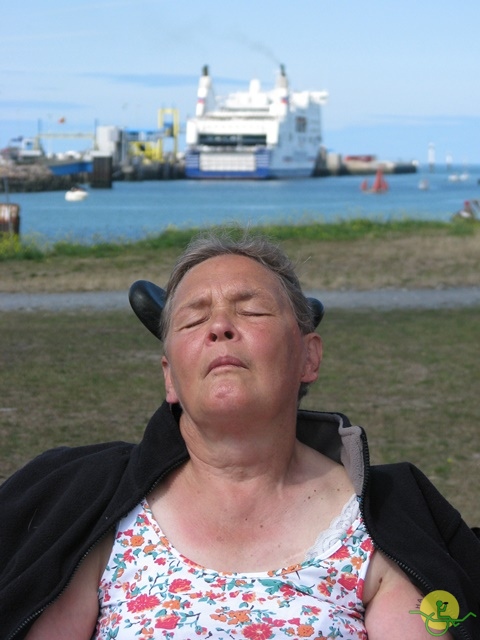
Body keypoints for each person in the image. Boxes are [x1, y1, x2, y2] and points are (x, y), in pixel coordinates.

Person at [1, 233, 479, 640]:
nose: (220, 328)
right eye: (192, 319)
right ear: (170, 378)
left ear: (308, 357)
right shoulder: (90, 507)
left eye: (252, 312)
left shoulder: (387, 520)